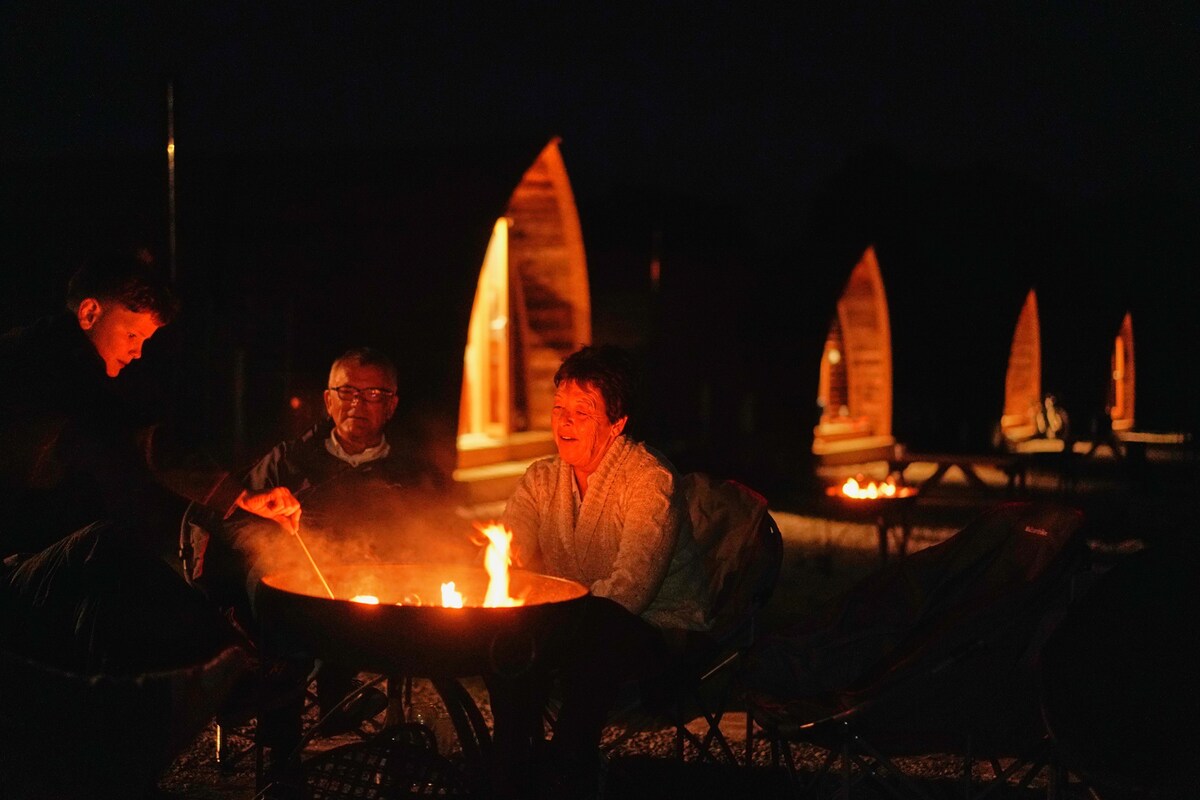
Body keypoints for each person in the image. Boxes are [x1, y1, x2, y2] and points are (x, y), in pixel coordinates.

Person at [0, 244, 301, 677]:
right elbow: (148, 441)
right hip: (15, 567)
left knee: (111, 559)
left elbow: (146, 443)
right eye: (132, 334)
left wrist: (240, 498)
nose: (138, 351)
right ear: (90, 313)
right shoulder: (45, 366)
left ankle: (234, 667)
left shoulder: (60, 367)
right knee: (104, 548)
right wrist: (241, 496)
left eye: (145, 339)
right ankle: (237, 668)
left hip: (32, 560)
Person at [200, 346, 460, 744]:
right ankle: (282, 751)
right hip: (295, 587)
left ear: (392, 405)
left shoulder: (412, 470)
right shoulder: (289, 458)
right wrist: (270, 543)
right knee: (275, 596)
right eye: (348, 391)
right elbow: (229, 518)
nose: (359, 403)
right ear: (328, 400)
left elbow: (439, 534)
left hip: (377, 594)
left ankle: (341, 705)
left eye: (374, 394)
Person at [486, 344, 713, 798]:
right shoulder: (541, 479)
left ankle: (572, 760)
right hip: (575, 622)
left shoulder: (649, 480)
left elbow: (631, 589)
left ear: (617, 423)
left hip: (656, 631)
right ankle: (514, 756)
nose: (564, 422)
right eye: (559, 409)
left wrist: (552, 616)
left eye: (582, 412)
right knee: (509, 634)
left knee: (600, 631)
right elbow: (507, 552)